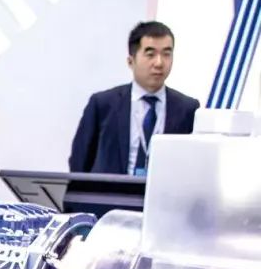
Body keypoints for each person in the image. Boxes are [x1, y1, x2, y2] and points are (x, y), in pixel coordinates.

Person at [69, 21, 199, 175]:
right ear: (131, 61)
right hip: (112, 190)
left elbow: (193, 165)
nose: (159, 63)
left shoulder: (188, 109)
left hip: (163, 190)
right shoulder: (103, 104)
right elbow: (79, 162)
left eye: (166, 54)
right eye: (150, 54)